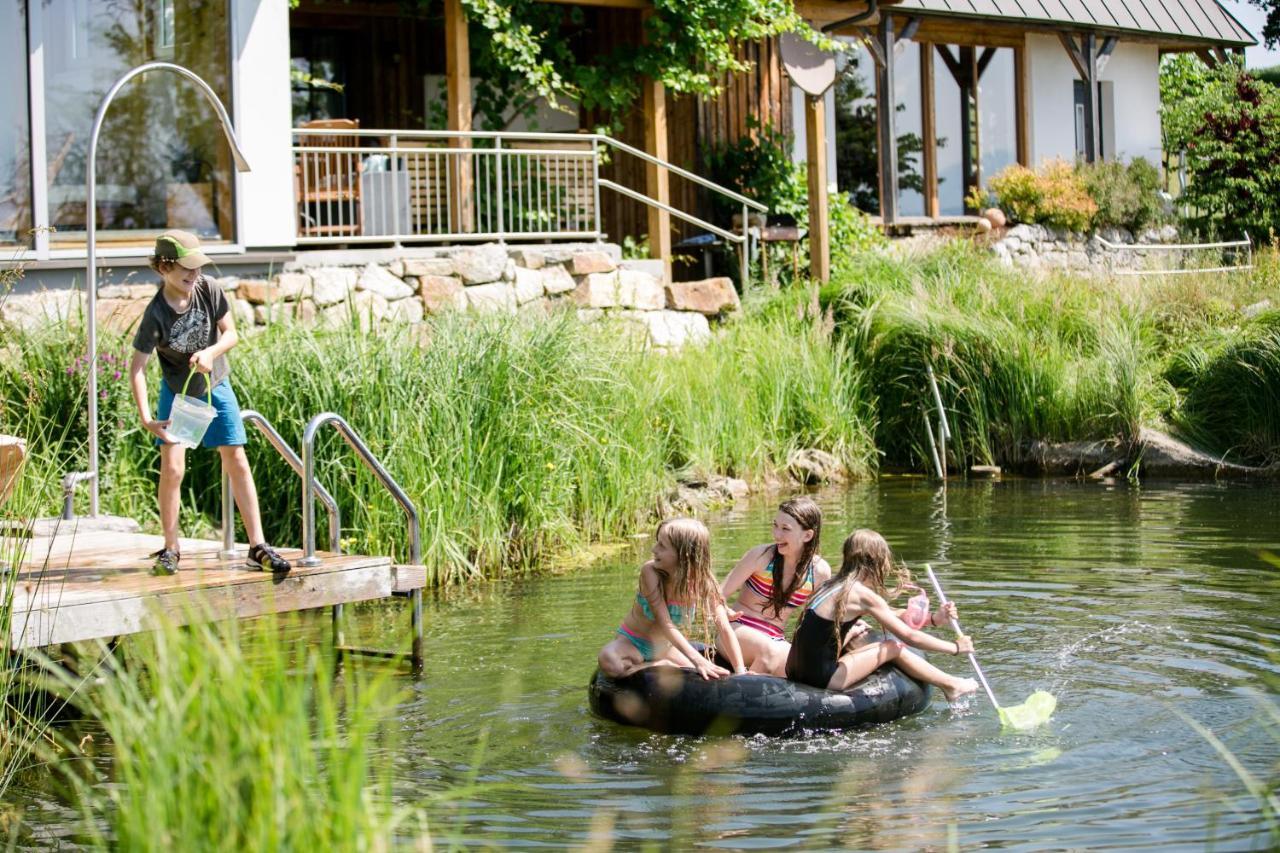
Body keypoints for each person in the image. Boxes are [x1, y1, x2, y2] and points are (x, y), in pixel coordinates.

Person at [128, 230, 291, 575]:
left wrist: (210, 352)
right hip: (177, 392)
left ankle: (257, 545)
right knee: (173, 469)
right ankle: (171, 548)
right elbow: (137, 369)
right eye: (186, 268)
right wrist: (146, 418)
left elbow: (231, 333)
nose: (193, 274)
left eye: (197, 267)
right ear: (163, 268)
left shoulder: (209, 289)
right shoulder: (155, 315)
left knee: (237, 458)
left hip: (216, 384)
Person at [785, 528, 978, 702]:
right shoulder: (861, 594)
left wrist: (934, 619)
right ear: (875, 561)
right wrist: (955, 647)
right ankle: (951, 685)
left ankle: (951, 684)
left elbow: (890, 613)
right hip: (823, 680)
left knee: (868, 638)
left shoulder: (833, 585)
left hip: (795, 671)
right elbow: (909, 636)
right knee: (892, 647)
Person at [598, 517, 746, 680]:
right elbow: (665, 623)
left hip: (665, 648)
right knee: (609, 660)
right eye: (657, 542)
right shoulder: (651, 573)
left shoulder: (704, 582)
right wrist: (697, 660)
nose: (654, 549)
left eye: (662, 546)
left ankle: (663, 664)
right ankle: (658, 666)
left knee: (707, 678)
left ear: (684, 555)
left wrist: (740, 671)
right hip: (633, 643)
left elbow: (724, 628)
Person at [719, 496, 833, 675]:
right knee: (769, 652)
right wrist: (724, 609)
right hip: (738, 630)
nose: (776, 534)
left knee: (803, 668)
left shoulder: (819, 572)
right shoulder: (761, 556)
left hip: (775, 637)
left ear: (807, 535)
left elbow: (822, 618)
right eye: (775, 525)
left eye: (785, 529)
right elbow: (716, 595)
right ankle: (743, 693)